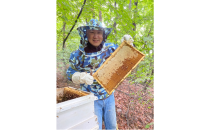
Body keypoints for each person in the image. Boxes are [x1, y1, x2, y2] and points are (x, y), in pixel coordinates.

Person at [66, 19, 134, 130]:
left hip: (109, 95)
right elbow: (70, 73)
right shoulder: (78, 55)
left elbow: (127, 57)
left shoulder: (110, 48)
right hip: (90, 99)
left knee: (111, 126)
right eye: (92, 32)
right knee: (94, 127)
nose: (96, 36)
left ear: (103, 34)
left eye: (99, 32)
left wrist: (128, 45)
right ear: (86, 34)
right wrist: (79, 76)